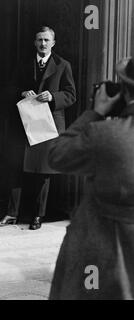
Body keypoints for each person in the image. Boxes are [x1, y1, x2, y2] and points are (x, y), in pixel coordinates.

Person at [48, 57, 134, 299]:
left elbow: (57, 155)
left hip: (105, 255)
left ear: (125, 91)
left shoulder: (106, 135)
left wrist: (94, 112)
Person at [0, 26, 76, 230]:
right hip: (24, 122)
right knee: (16, 169)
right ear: (34, 42)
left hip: (47, 125)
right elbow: (9, 89)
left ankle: (37, 216)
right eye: (39, 40)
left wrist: (53, 97)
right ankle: (11, 213)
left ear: (53, 43)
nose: (42, 44)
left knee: (42, 172)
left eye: (46, 40)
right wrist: (22, 93)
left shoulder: (63, 65)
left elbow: (71, 95)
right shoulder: (23, 64)